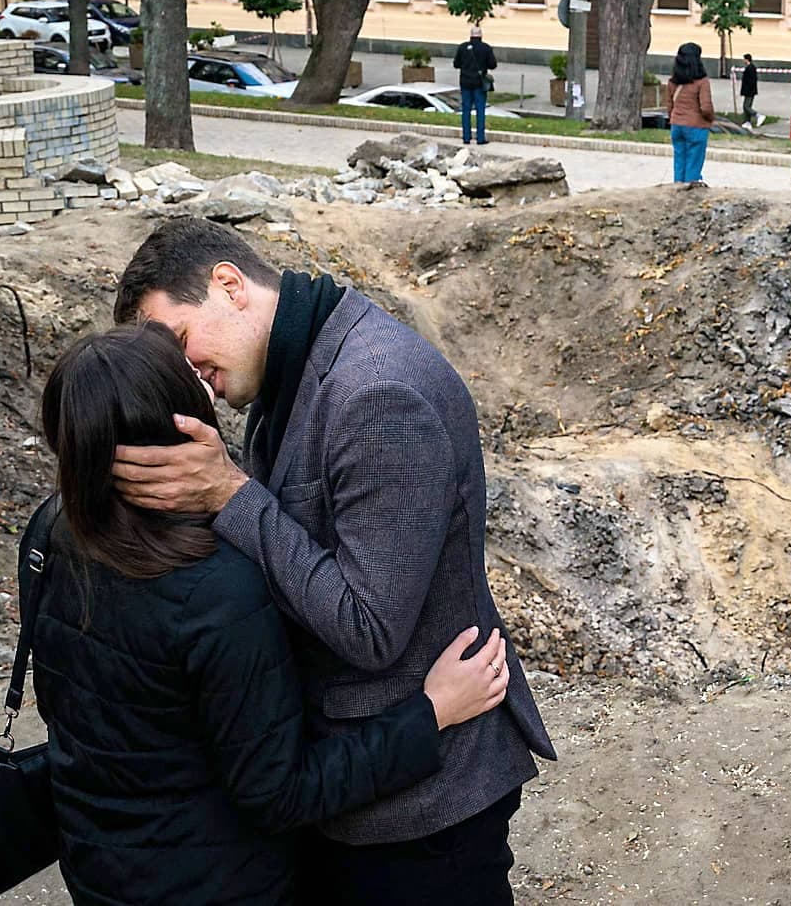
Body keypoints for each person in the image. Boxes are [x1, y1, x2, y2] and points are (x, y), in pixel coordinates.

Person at [108, 220, 555, 905]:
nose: (183, 371)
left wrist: (229, 491)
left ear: (229, 285)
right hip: (354, 792)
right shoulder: (288, 372)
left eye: (177, 341)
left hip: (422, 815)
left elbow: (370, 627)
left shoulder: (378, 393)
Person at [30, 322, 511, 906]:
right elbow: (279, 792)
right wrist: (430, 714)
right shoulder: (218, 591)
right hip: (216, 884)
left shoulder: (49, 534)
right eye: (188, 378)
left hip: (103, 866)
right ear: (178, 422)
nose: (207, 382)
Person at [667, 41, 714, 186]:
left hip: (677, 125)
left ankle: (677, 189)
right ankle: (689, 193)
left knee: (679, 160)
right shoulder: (702, 82)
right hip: (696, 126)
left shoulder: (672, 81)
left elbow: (670, 106)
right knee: (694, 162)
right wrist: (711, 119)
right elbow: (705, 107)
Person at [453, 24, 498, 146]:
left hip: (465, 82)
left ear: (471, 35)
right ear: (481, 36)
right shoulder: (486, 48)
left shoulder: (462, 47)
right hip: (479, 83)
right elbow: (493, 64)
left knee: (466, 110)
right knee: (480, 110)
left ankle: (466, 137)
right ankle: (480, 138)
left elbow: (456, 64)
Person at [739, 53, 759, 125]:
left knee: (746, 106)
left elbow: (749, 81)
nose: (743, 60)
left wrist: (745, 91)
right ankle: (747, 122)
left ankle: (757, 115)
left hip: (749, 91)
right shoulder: (752, 67)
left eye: (744, 59)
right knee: (747, 107)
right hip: (751, 91)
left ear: (746, 59)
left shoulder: (749, 68)